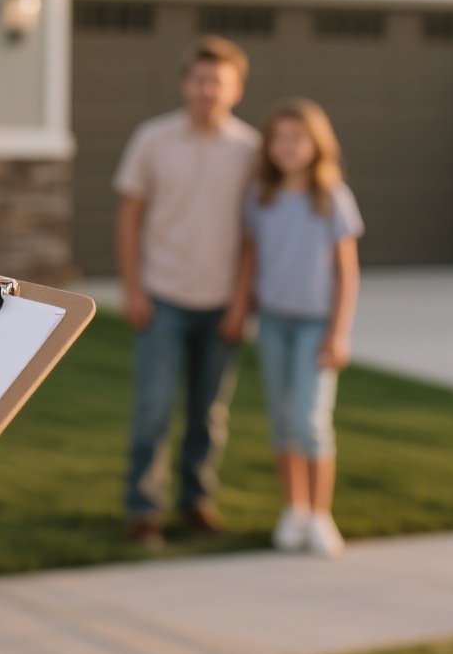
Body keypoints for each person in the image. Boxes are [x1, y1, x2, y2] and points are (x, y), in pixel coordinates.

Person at [113, 36, 259, 549]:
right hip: (162, 298)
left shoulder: (251, 150)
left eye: (218, 81)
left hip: (221, 304)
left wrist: (242, 303)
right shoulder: (152, 139)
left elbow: (253, 235)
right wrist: (133, 290)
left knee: (209, 413)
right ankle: (143, 509)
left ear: (236, 88)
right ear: (185, 84)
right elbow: (129, 218)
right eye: (199, 79)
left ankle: (197, 501)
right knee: (153, 409)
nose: (207, 89)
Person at [220, 98, 363, 558]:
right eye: (278, 138)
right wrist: (240, 309)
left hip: (315, 326)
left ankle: (321, 516)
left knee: (310, 421)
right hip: (274, 323)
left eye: (297, 138)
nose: (287, 147)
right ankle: (294, 510)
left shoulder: (332, 196)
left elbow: (347, 272)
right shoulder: (261, 196)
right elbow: (250, 258)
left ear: (317, 144)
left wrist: (339, 333)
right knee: (282, 421)